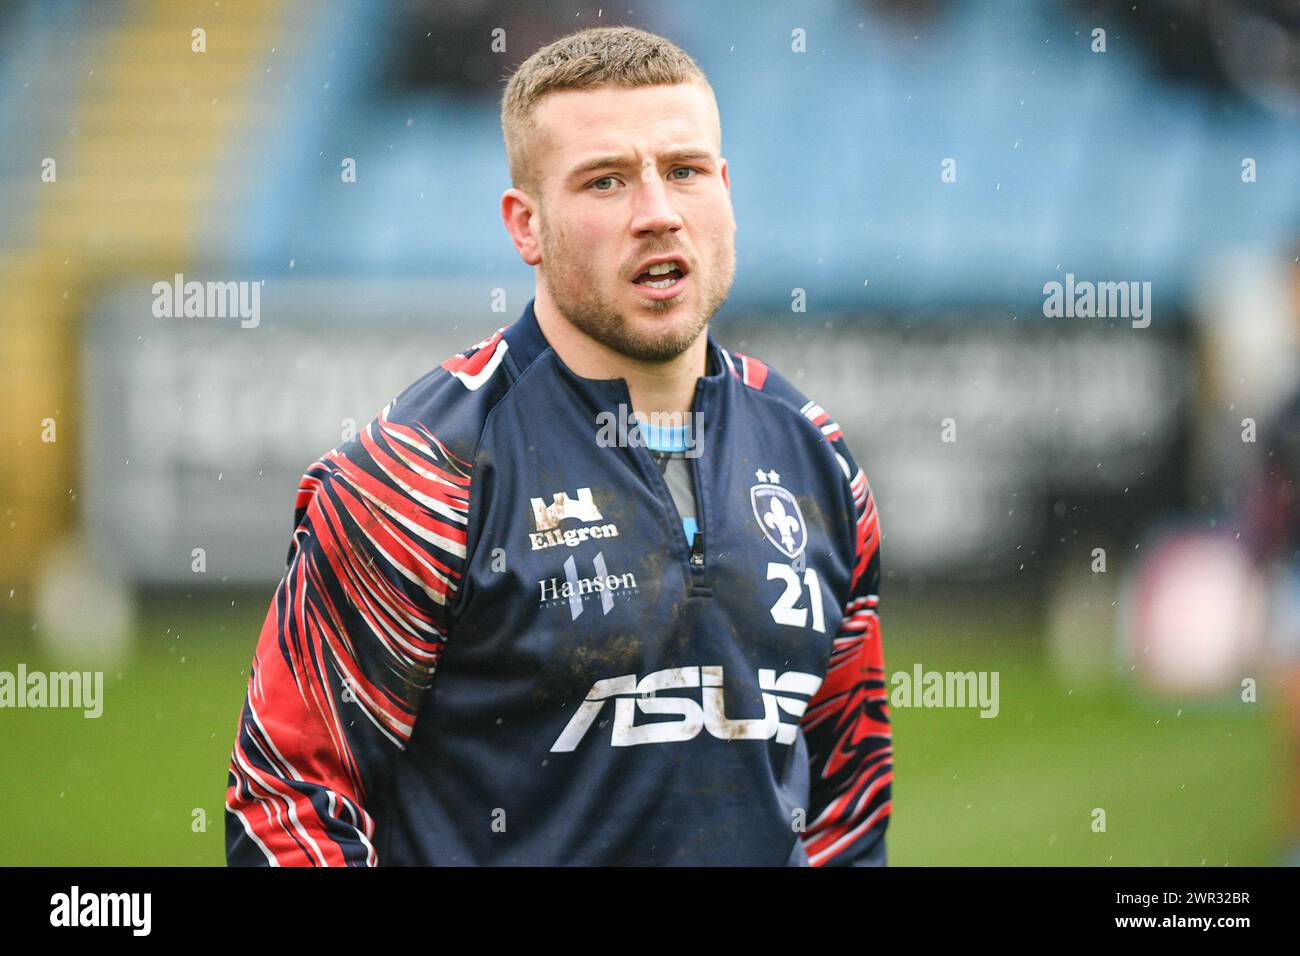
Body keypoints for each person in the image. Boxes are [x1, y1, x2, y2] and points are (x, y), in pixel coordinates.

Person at [225, 25, 891, 866]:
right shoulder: (423, 478)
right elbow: (286, 802)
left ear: (725, 189)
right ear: (525, 225)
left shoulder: (816, 460)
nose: (657, 213)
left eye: (684, 171)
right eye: (605, 182)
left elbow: (849, 798)